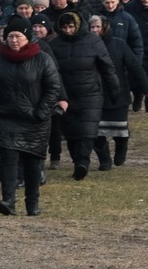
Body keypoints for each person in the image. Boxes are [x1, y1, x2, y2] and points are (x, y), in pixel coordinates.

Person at [0, 18, 65, 216]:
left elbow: (54, 87)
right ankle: (8, 200)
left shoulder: (42, 58)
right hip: (5, 118)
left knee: (32, 163)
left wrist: (42, 111)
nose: (13, 40)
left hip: (34, 120)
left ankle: (32, 203)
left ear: (27, 37)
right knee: (8, 161)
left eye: (18, 36)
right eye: (10, 36)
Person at [48, 10, 119, 180]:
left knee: (87, 130)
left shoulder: (93, 41)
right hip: (66, 94)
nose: (68, 30)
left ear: (77, 26)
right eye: (64, 27)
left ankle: (83, 162)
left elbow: (107, 67)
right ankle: (77, 162)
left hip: (91, 93)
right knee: (71, 132)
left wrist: (114, 90)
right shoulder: (55, 44)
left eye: (71, 27)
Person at [92, 12, 146, 168]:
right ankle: (104, 159)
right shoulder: (86, 45)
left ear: (105, 28)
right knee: (96, 131)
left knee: (120, 129)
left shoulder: (119, 44)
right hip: (95, 94)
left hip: (118, 92)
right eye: (92, 27)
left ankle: (121, 148)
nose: (95, 30)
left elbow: (134, 66)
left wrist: (146, 87)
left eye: (98, 27)